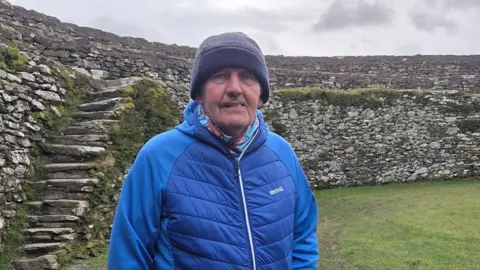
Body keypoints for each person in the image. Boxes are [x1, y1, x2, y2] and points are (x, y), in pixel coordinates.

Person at [107, 31, 319, 270]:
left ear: (261, 95)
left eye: (248, 76)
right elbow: (128, 256)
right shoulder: (159, 156)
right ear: (199, 93)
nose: (235, 88)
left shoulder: (282, 153)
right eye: (220, 76)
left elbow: (302, 237)